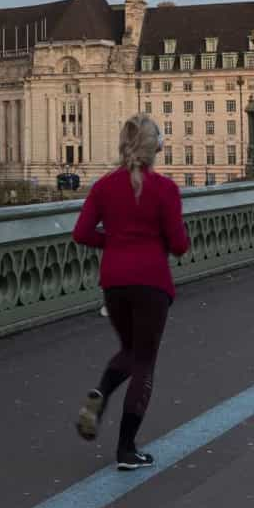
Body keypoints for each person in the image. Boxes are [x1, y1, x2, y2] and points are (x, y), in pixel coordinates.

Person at [69, 114, 191, 470]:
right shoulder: (165, 189)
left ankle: (101, 394)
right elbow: (179, 245)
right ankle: (126, 449)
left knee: (130, 349)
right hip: (151, 282)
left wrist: (115, 241)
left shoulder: (104, 186)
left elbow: (81, 233)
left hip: (114, 282)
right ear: (157, 149)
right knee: (145, 363)